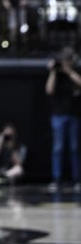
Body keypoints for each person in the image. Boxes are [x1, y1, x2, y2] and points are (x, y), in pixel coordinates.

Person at [45, 47, 81, 192]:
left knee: (74, 148)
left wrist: (70, 72)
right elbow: (49, 90)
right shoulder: (56, 73)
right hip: (58, 115)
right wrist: (53, 71)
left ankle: (77, 179)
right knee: (58, 148)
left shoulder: (75, 71)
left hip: (74, 114)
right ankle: (57, 179)